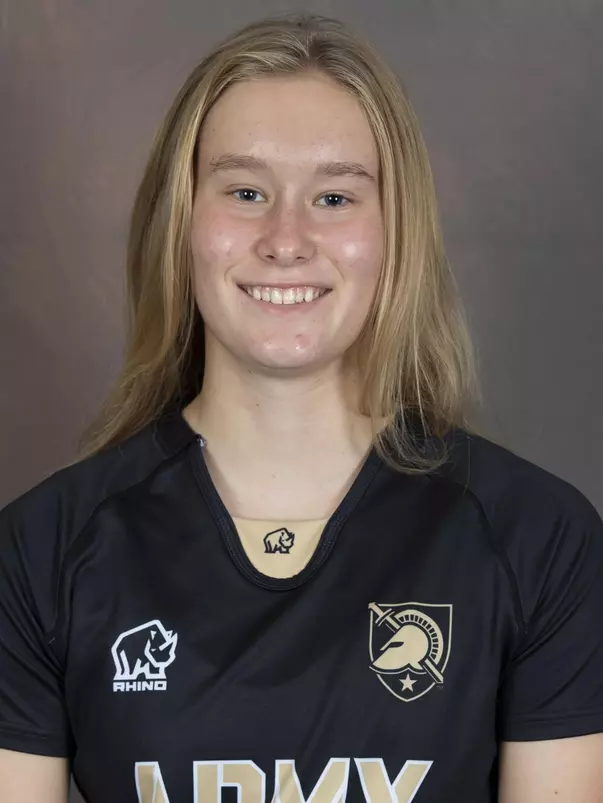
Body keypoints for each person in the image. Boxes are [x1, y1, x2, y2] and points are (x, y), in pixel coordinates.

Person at [0, 12, 602, 803]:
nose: (286, 238)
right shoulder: (42, 551)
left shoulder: (539, 540)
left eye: (333, 196)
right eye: (245, 191)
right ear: (181, 221)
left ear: (396, 232)